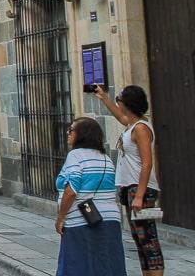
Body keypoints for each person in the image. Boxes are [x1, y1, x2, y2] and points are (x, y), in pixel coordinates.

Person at [94, 85, 163, 276]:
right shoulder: (132, 124)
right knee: (139, 238)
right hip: (130, 187)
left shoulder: (141, 128)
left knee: (148, 239)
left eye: (119, 99)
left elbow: (147, 163)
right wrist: (104, 98)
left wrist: (139, 195)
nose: (118, 101)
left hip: (140, 188)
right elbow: (120, 117)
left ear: (128, 103)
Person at [54, 117, 126, 276]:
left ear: (81, 134)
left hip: (80, 220)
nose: (68, 133)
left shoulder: (75, 156)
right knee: (106, 264)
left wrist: (60, 218)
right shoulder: (106, 158)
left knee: (77, 265)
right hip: (110, 219)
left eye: (71, 130)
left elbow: (72, 189)